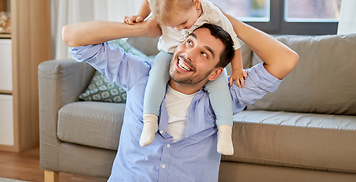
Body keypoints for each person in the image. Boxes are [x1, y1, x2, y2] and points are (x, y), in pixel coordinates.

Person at [62, 14, 299, 182]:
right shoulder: (140, 75)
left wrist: (226, 20)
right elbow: (72, 37)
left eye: (203, 54)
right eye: (189, 43)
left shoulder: (227, 96)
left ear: (216, 72)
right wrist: (141, 29)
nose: (187, 55)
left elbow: (286, 60)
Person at [124, 0, 247, 155]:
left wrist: (237, 69)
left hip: (198, 60)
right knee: (156, 75)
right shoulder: (161, 1)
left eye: (183, 23)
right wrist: (140, 16)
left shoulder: (211, 13)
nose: (180, 29)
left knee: (219, 83)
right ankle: (150, 121)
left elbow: (233, 41)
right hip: (170, 52)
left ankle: (225, 131)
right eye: (172, 26)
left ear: (196, 4)